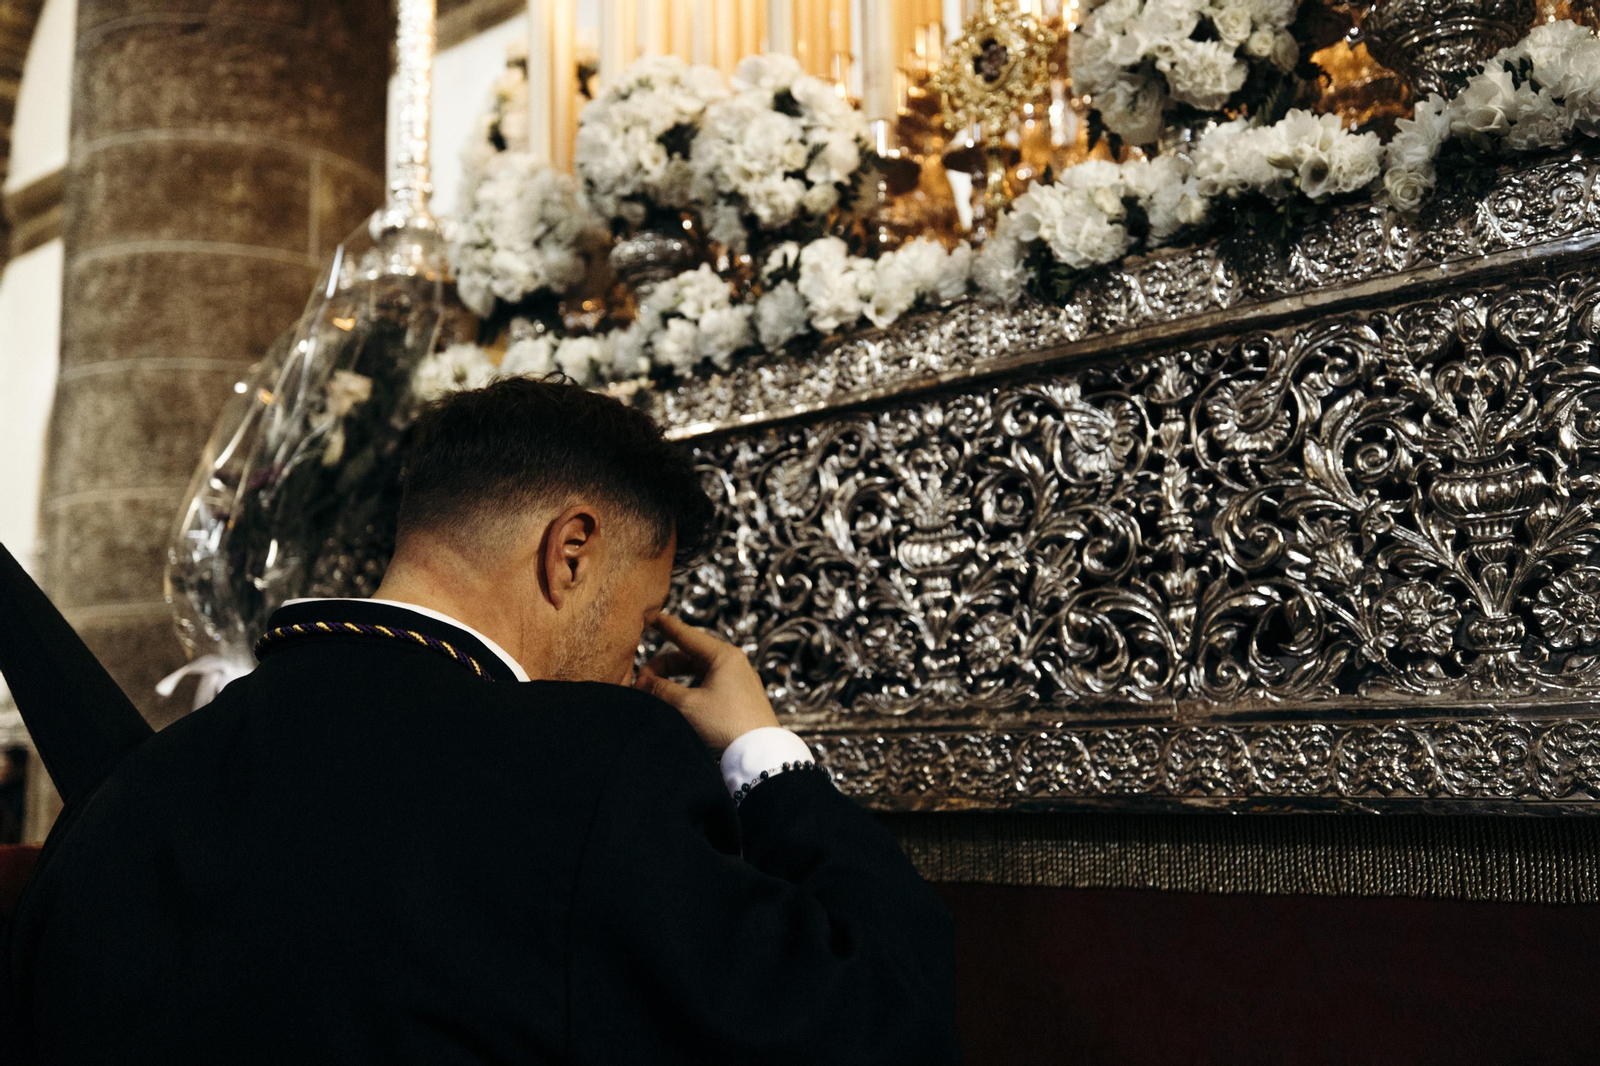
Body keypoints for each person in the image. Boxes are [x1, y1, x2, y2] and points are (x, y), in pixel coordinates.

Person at [5, 377, 962, 1064]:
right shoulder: (588, 769)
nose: (634, 664)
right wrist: (765, 753)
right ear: (571, 552)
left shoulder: (128, 795)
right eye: (643, 617)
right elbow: (883, 1015)